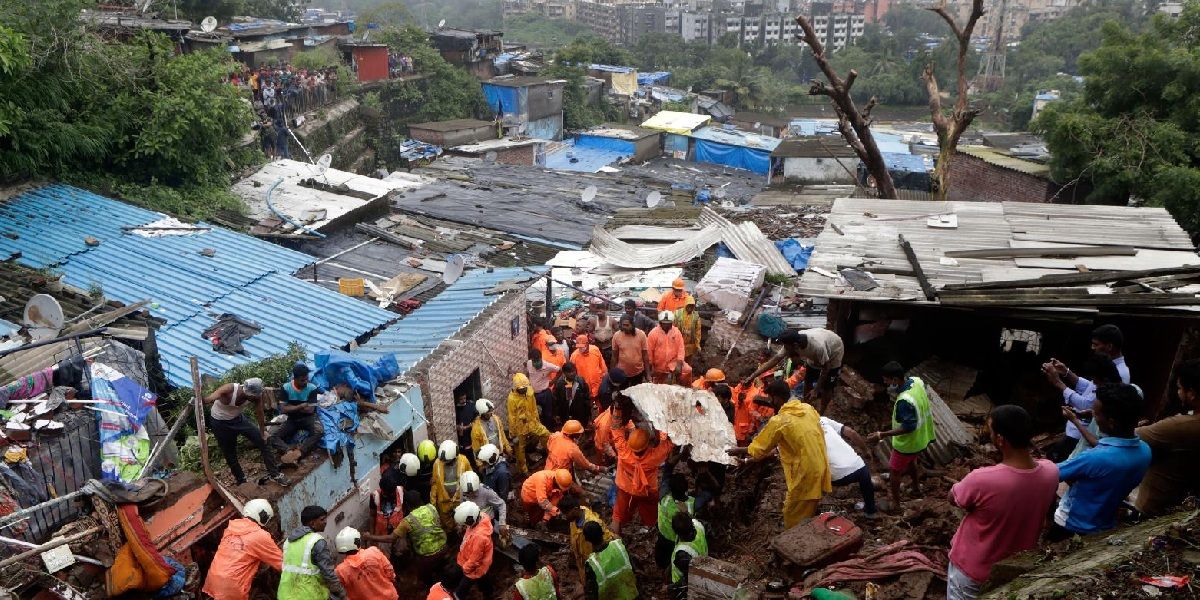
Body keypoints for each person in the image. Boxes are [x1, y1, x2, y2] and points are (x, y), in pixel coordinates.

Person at [945, 405, 1058, 600]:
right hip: (1014, 568)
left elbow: (953, 498)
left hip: (973, 570)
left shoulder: (982, 479)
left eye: (991, 430)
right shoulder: (1051, 472)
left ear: (1000, 439)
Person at [1051, 383, 1152, 540]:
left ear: (1111, 421)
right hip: (1104, 524)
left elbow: (1051, 474)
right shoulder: (1145, 451)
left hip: (1070, 525)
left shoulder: (1093, 458)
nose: (1093, 416)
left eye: (1096, 414)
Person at [729, 380, 830, 528]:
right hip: (821, 465)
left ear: (777, 398)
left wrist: (739, 450)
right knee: (807, 506)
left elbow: (759, 449)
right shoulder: (808, 409)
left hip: (805, 472)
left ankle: (796, 541)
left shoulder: (780, 421)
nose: (770, 402)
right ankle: (806, 529)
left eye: (770, 398)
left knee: (791, 512)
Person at [1131, 358, 1200, 516]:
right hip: (1181, 507)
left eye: (1180, 388)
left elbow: (1131, 436)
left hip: (1153, 509)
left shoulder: (1180, 426)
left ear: (1192, 394)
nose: (1178, 392)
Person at [868, 361, 936, 509]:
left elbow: (908, 427)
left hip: (908, 442)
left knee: (894, 471)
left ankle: (896, 505)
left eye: (886, 379)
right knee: (912, 462)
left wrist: (882, 434)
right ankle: (917, 489)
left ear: (894, 379)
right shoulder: (917, 382)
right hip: (920, 438)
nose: (884, 382)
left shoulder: (904, 401)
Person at [205, 378, 289, 486]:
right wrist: (201, 400)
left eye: (257, 396)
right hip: (220, 423)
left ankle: (275, 474)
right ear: (246, 391)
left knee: (264, 441)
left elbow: (260, 413)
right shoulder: (229, 389)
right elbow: (210, 398)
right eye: (253, 396)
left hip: (238, 419)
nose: (255, 398)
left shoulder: (256, 396)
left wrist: (263, 432)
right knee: (230, 453)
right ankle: (242, 481)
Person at [1042, 354, 1122, 461]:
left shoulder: (1106, 395)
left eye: (1096, 344)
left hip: (1080, 436)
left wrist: (1058, 382)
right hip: (1080, 435)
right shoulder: (1106, 383)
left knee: (1053, 463)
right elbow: (1089, 387)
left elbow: (1085, 404)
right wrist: (1066, 372)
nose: (1094, 384)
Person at [746, 329, 844, 413]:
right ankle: (805, 406)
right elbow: (775, 360)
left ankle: (822, 412)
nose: (785, 349)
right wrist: (753, 375)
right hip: (819, 346)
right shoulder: (792, 342)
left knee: (827, 386)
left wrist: (816, 389)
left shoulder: (817, 348)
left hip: (834, 351)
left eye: (786, 347)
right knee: (808, 379)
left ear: (795, 345)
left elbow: (826, 367)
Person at [202, 499, 282, 600]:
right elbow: (282, 563)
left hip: (214, 579)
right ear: (264, 517)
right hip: (232, 586)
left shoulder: (231, 527)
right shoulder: (260, 536)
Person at [364, 491, 448, 586]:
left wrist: (369, 537)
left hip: (427, 555)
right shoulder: (431, 508)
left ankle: (429, 586)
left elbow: (391, 538)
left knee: (425, 577)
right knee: (441, 569)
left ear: (407, 505)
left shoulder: (408, 521)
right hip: (444, 547)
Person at [610, 425, 675, 535]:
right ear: (647, 446)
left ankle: (615, 541)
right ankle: (651, 529)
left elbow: (616, 430)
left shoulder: (623, 450)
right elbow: (669, 444)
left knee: (618, 516)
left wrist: (618, 411)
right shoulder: (654, 457)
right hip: (646, 492)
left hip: (625, 490)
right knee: (651, 514)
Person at [279, 505, 347, 600]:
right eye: (322, 519)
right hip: (308, 595)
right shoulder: (317, 541)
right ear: (312, 523)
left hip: (285, 594)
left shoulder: (288, 542)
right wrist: (343, 595)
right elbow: (329, 575)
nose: (325, 522)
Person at [819, 415, 877, 518]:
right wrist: (866, 450)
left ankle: (820, 510)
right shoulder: (822, 419)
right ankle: (871, 511)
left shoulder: (802, 431)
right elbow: (852, 433)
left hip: (836, 477)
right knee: (865, 476)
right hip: (859, 469)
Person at [270, 363, 321, 465]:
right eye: (303, 380)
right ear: (295, 378)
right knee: (272, 437)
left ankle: (300, 452)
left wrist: (291, 407)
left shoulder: (312, 388)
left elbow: (310, 410)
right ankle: (288, 451)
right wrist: (301, 406)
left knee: (319, 431)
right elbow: (283, 410)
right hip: (292, 420)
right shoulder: (286, 388)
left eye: (307, 379)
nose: (306, 381)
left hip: (308, 418)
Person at [562, 495, 616, 585]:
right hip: (583, 561)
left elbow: (607, 540)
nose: (565, 516)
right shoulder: (574, 519)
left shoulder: (593, 523)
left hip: (596, 562)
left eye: (566, 513)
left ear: (575, 509)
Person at [333, 527, 398, 600]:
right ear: (357, 541)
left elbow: (340, 590)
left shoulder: (340, 570)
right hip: (389, 596)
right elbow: (390, 571)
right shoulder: (373, 551)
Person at [583, 521, 638, 600]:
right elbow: (633, 568)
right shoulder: (619, 545)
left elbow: (592, 592)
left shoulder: (592, 563)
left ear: (587, 539)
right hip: (631, 595)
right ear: (602, 532)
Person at [509, 372, 551, 475]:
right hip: (520, 428)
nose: (523, 390)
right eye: (521, 389)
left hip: (532, 422)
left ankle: (549, 451)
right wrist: (513, 433)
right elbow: (512, 417)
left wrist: (537, 420)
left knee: (546, 434)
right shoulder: (512, 399)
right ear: (516, 388)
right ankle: (523, 470)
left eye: (525, 388)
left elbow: (534, 408)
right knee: (519, 449)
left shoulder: (530, 392)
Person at [454, 501, 495, 599]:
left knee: (462, 588)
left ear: (470, 521)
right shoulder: (481, 516)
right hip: (480, 562)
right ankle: (488, 592)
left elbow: (475, 560)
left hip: (475, 568)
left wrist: (465, 569)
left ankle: (488, 595)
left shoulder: (479, 537)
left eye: (464, 524)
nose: (464, 526)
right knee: (484, 579)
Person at [655, 474, 696, 570]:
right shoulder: (691, 505)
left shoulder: (664, 499)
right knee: (674, 558)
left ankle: (662, 569)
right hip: (677, 540)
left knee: (661, 557)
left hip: (663, 535)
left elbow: (666, 477)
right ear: (686, 488)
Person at [430, 441, 474, 531]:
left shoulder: (463, 461)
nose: (445, 462)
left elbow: (471, 478)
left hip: (460, 499)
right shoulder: (437, 464)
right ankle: (452, 534)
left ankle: (463, 532)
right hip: (443, 501)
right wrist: (433, 504)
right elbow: (434, 485)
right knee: (446, 522)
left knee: (463, 520)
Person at [668, 514, 707, 600]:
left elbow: (688, 577)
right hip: (703, 562)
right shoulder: (698, 525)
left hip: (684, 587)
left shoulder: (682, 553)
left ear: (676, 532)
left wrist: (672, 587)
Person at [460, 471, 509, 540]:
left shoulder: (486, 492)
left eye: (472, 492)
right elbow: (462, 505)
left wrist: (502, 523)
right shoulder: (463, 489)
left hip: (486, 524)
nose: (470, 494)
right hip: (471, 523)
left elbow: (501, 504)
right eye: (467, 493)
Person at [647, 312, 691, 385]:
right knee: (659, 386)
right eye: (664, 323)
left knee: (687, 370)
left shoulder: (676, 332)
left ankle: (684, 388)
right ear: (660, 323)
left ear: (671, 323)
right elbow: (649, 351)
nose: (666, 325)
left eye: (668, 323)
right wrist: (650, 367)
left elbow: (681, 348)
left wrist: (679, 363)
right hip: (658, 365)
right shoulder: (653, 333)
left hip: (673, 363)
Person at [527, 348, 563, 430]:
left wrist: (553, 381)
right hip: (532, 394)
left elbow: (560, 370)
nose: (535, 362)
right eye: (534, 360)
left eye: (537, 359)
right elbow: (527, 370)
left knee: (548, 414)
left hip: (545, 394)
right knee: (534, 414)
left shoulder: (548, 366)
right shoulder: (529, 363)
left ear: (541, 357)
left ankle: (549, 430)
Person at [470, 399, 512, 468]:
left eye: (491, 411)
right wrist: (480, 464)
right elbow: (476, 449)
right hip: (488, 459)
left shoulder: (496, 419)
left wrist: (508, 448)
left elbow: (502, 435)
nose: (491, 413)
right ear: (482, 413)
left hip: (499, 453)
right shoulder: (476, 429)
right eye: (488, 412)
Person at [611, 316, 650, 386]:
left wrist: (648, 374)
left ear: (633, 324)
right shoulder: (616, 336)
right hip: (621, 373)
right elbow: (614, 356)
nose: (625, 327)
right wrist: (612, 373)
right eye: (623, 325)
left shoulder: (641, 335)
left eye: (627, 325)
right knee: (623, 394)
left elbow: (645, 355)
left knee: (636, 394)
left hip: (638, 372)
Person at [554, 363, 594, 429]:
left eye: (573, 371)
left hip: (580, 413)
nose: (572, 373)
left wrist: (589, 415)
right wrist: (557, 414)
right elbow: (557, 401)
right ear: (564, 373)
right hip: (565, 414)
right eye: (569, 372)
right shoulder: (559, 384)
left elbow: (587, 399)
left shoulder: (581, 382)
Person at [571, 335, 609, 403]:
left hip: (598, 385)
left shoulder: (595, 350)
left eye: (582, 346)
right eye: (579, 347)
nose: (580, 349)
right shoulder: (574, 356)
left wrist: (604, 378)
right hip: (585, 389)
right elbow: (572, 374)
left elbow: (602, 366)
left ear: (587, 344)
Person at [674, 297, 702, 365]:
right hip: (678, 343)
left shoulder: (695, 316)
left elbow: (698, 331)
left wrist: (697, 345)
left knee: (688, 364)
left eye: (692, 306)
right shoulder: (677, 314)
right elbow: (672, 327)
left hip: (690, 345)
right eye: (689, 305)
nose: (690, 307)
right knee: (678, 362)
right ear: (686, 304)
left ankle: (687, 374)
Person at [455, 390, 477, 466]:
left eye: (464, 398)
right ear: (457, 399)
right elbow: (455, 424)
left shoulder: (470, 405)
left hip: (473, 432)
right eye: (461, 399)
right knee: (468, 454)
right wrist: (460, 428)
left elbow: (476, 417)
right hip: (464, 437)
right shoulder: (455, 410)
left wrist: (469, 426)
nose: (463, 401)